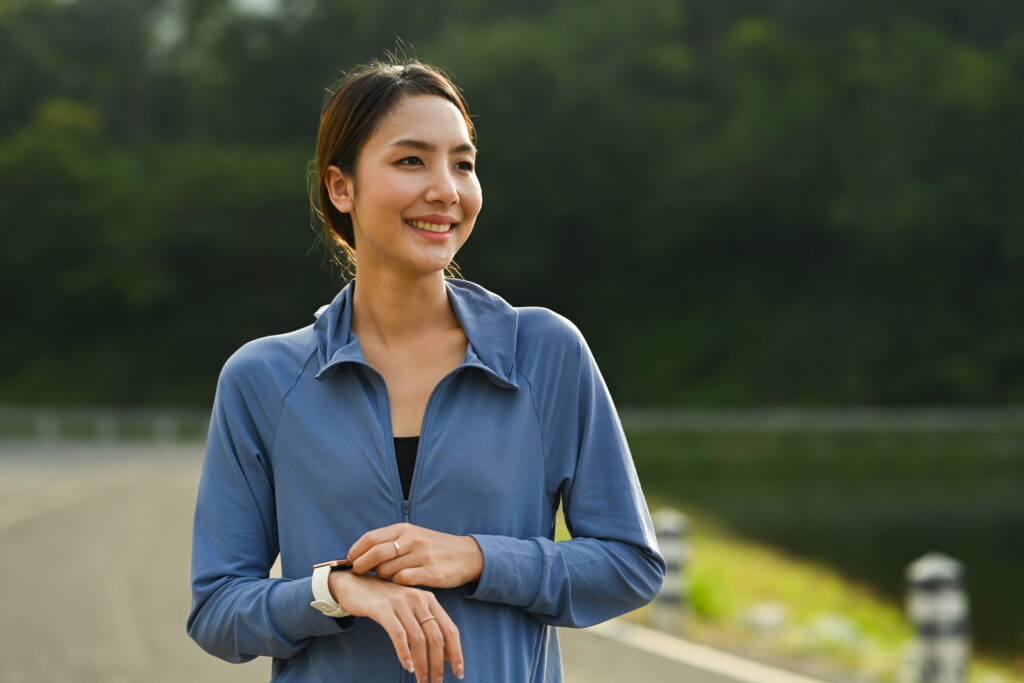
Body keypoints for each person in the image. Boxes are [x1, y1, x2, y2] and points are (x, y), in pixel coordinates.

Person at [186, 58, 665, 683]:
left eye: (462, 163)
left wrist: (475, 558)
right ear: (341, 187)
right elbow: (217, 609)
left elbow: (630, 564)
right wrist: (335, 592)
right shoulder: (263, 378)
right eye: (411, 161)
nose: (446, 189)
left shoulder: (545, 352)